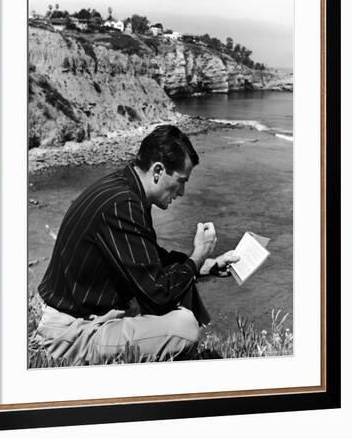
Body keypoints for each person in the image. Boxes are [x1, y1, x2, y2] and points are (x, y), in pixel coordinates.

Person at [35, 125, 238, 365]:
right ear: (158, 171)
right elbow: (158, 295)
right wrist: (197, 257)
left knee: (182, 285)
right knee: (185, 328)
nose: (182, 192)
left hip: (81, 317)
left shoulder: (124, 189)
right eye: (181, 181)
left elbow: (149, 259)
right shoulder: (124, 205)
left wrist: (207, 265)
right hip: (72, 334)